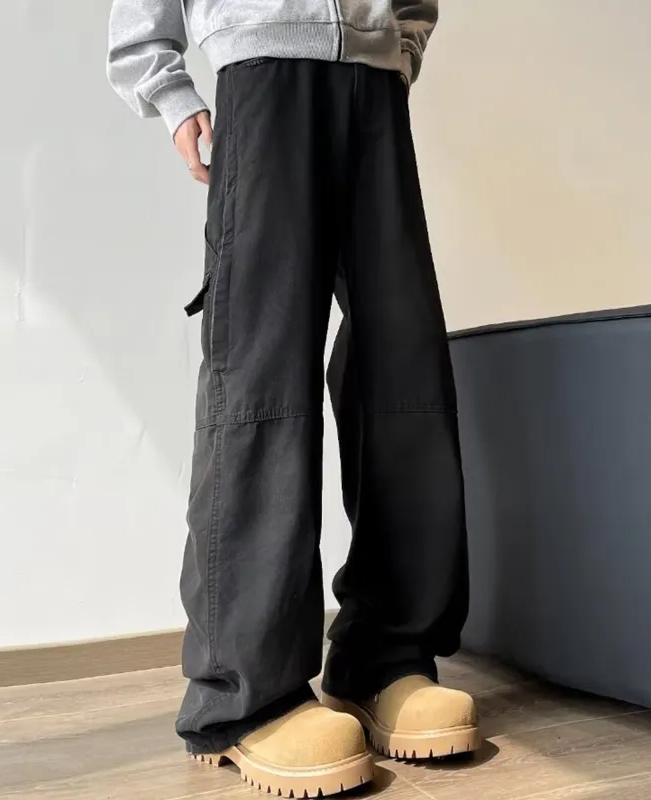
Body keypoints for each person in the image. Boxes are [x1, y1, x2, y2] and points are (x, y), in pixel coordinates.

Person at [107, 1, 476, 796]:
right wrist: (169, 89)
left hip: (373, 87)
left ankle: (385, 656)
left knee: (404, 373)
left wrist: (398, 50)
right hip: (264, 77)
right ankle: (244, 694)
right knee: (261, 379)